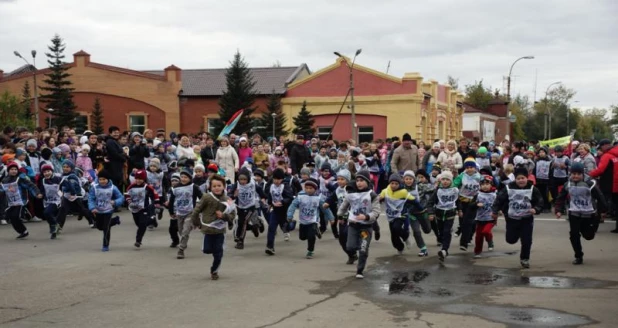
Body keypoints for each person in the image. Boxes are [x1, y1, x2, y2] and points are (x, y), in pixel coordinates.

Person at [491, 166, 544, 268]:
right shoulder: (508, 188)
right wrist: (495, 211)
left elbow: (540, 201)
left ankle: (525, 259)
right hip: (512, 218)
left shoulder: (532, 189)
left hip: (527, 218)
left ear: (527, 178)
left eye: (523, 178)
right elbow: (499, 199)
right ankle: (517, 234)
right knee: (511, 240)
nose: (521, 180)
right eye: (518, 178)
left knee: (527, 240)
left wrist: (536, 209)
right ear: (515, 179)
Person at [554, 163, 607, 265]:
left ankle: (593, 227)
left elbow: (600, 197)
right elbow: (561, 198)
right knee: (574, 235)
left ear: (583, 174)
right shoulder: (568, 184)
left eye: (578, 174)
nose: (576, 176)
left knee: (588, 236)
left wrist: (603, 211)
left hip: (589, 214)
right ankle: (578, 256)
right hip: (574, 213)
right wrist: (558, 210)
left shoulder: (590, 184)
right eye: (573, 173)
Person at [191, 174, 236, 280]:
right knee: (207, 250)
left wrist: (224, 216)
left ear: (224, 186)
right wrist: (196, 223)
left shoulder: (227, 199)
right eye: (214, 186)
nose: (217, 188)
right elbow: (196, 211)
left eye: (219, 185)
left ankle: (214, 271)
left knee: (218, 253)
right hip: (208, 229)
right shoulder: (206, 197)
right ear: (210, 187)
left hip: (220, 230)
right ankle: (212, 250)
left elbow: (233, 215)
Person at [337, 170, 380, 279]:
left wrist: (366, 217)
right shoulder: (351, 194)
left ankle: (360, 271)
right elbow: (343, 206)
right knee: (350, 246)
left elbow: (376, 212)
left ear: (367, 181)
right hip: (353, 225)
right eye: (357, 181)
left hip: (366, 227)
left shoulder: (372, 195)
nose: (359, 183)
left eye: (361, 181)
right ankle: (355, 252)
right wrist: (340, 216)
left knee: (363, 249)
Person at [287, 178, 334, 259]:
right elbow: (293, 205)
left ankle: (310, 251)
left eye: (311, 188)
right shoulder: (300, 196)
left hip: (313, 221)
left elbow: (325, 208)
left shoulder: (318, 198)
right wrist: (290, 215)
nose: (308, 190)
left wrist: (331, 218)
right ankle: (316, 231)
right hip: (303, 221)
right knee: (302, 237)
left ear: (315, 189)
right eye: (307, 188)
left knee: (311, 236)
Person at [380, 173, 423, 255]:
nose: (394, 185)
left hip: (401, 215)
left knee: (397, 228)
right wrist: (377, 199)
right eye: (392, 183)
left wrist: (421, 209)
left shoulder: (403, 192)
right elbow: (378, 198)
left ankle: (406, 237)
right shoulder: (385, 191)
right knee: (394, 237)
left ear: (399, 184)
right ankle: (400, 247)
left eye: (396, 184)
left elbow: (414, 201)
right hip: (391, 216)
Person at [0, 162, 43, 239]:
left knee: (16, 216)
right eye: (12, 169)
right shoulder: (4, 180)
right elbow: (2, 189)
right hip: (10, 202)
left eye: (15, 169)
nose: (14, 171)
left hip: (20, 201)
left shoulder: (20, 179)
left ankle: (23, 230)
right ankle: (23, 231)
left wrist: (37, 193)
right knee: (10, 216)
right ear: (8, 170)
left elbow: (30, 185)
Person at [168, 168, 203, 259]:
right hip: (179, 213)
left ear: (190, 178)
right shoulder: (175, 188)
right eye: (182, 177)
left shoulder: (193, 187)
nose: (183, 179)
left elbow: (202, 197)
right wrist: (171, 211)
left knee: (185, 231)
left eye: (186, 177)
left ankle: (181, 250)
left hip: (191, 212)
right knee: (181, 231)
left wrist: (202, 207)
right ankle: (196, 223)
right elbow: (171, 201)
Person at [230, 167, 266, 249]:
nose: (242, 181)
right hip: (240, 206)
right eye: (240, 179)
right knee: (240, 222)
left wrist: (263, 197)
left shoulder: (252, 184)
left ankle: (240, 241)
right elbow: (230, 194)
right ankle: (255, 226)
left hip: (250, 206)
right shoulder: (237, 184)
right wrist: (233, 196)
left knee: (245, 221)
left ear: (248, 178)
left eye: (244, 179)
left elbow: (260, 190)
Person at [427, 171, 459, 262]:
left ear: (451, 181)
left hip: (450, 213)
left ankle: (444, 250)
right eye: (443, 179)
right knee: (441, 232)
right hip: (439, 214)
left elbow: (458, 201)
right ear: (440, 181)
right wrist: (430, 213)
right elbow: (430, 203)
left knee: (446, 231)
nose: (445, 181)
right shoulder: (438, 190)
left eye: (447, 180)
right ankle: (443, 245)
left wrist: (460, 210)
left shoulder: (455, 190)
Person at [88, 170, 124, 252]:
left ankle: (105, 245)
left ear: (108, 179)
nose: (102, 181)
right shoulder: (94, 187)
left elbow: (121, 197)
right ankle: (115, 220)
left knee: (106, 228)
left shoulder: (113, 188)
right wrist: (92, 207)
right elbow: (91, 198)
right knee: (99, 226)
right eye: (100, 179)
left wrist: (115, 202)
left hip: (108, 210)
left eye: (104, 179)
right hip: (98, 210)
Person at [588, 139, 618, 232]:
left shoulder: (607, 156)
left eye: (600, 147)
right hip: (615, 184)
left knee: (600, 204)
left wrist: (590, 174)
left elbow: (600, 170)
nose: (600, 149)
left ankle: (594, 226)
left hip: (608, 184)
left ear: (605, 146)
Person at [126, 169, 160, 248]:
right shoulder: (131, 186)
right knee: (138, 223)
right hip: (134, 208)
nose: (138, 180)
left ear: (144, 179)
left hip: (144, 208)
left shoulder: (148, 187)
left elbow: (155, 195)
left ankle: (138, 241)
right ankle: (152, 219)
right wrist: (129, 201)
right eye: (137, 178)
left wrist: (157, 204)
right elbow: (127, 194)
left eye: (140, 179)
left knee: (142, 224)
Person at [453, 158, 481, 251]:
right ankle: (467, 237)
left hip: (473, 201)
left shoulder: (479, 177)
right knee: (463, 223)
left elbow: (487, 185)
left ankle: (464, 243)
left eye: (471, 167)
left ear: (475, 168)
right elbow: (454, 184)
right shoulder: (462, 176)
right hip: (462, 201)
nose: (469, 169)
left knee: (468, 222)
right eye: (467, 167)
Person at [265, 168, 295, 255]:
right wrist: (270, 204)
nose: (276, 181)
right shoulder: (271, 186)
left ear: (282, 179)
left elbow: (289, 197)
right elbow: (270, 196)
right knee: (271, 228)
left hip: (284, 211)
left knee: (286, 227)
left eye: (279, 179)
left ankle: (291, 224)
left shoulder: (285, 186)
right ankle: (270, 247)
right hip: (275, 211)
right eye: (275, 179)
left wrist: (282, 202)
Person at [471, 175, 497, 258]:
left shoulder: (494, 195)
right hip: (480, 218)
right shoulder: (478, 194)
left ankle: (490, 240)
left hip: (491, 218)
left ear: (491, 184)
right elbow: (470, 205)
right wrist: (476, 204)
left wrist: (498, 211)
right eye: (482, 184)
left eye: (487, 184)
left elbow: (499, 204)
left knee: (485, 231)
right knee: (478, 236)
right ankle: (477, 252)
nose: (485, 186)